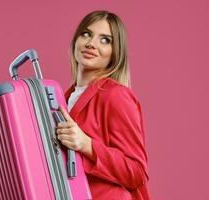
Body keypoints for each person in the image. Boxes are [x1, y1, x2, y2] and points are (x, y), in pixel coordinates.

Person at [56, 10, 151, 199]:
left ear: (115, 53)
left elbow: (137, 171)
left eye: (105, 40)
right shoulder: (63, 98)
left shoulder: (116, 95)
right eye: (86, 34)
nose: (91, 43)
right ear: (76, 40)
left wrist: (87, 145)